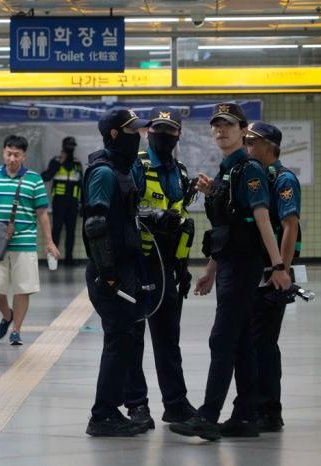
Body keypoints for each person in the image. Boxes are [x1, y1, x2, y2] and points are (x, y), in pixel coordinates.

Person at [169, 103, 291, 441]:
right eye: (217, 125)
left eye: (229, 125)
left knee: (222, 338)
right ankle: (245, 415)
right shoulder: (227, 171)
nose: (221, 130)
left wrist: (278, 266)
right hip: (229, 264)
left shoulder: (249, 169)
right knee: (240, 341)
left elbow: (262, 219)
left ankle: (208, 416)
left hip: (243, 266)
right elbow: (227, 226)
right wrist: (211, 269)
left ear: (242, 131)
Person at [123, 106, 197, 430]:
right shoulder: (136, 166)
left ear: (178, 134)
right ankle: (137, 405)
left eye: (170, 131)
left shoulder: (180, 171)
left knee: (169, 339)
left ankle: (176, 404)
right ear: (147, 132)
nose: (163, 136)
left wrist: (183, 266)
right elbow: (124, 211)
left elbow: (181, 216)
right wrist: (152, 216)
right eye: (158, 129)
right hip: (139, 264)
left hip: (168, 265)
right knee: (133, 339)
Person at [82, 108, 149, 437]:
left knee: (124, 341)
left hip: (123, 267)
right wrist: (108, 273)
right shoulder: (104, 173)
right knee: (118, 341)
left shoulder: (124, 169)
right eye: (131, 130)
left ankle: (111, 410)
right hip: (109, 272)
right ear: (113, 134)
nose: (137, 136)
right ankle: (103, 415)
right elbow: (95, 224)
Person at [0, 135, 60, 346]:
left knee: (23, 288)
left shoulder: (34, 179)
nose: (12, 158)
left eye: (16, 155)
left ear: (24, 156)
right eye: (8, 154)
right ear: (3, 152)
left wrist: (49, 241)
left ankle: (16, 330)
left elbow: (42, 213)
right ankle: (7, 315)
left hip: (24, 242)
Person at [245, 121, 302, 432]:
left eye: (252, 142)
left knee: (264, 344)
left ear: (269, 146)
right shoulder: (258, 178)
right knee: (255, 343)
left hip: (272, 274)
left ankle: (269, 411)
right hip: (257, 271)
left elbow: (290, 226)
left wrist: (282, 269)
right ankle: (256, 406)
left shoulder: (283, 179)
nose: (248, 147)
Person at [41, 136, 84, 265]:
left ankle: (69, 259)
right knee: (57, 230)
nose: (70, 148)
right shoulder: (56, 161)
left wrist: (83, 203)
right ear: (63, 146)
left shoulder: (77, 164)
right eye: (68, 146)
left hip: (73, 202)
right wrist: (60, 162)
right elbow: (46, 177)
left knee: (71, 231)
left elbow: (82, 184)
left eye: (72, 146)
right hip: (59, 201)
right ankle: (52, 259)